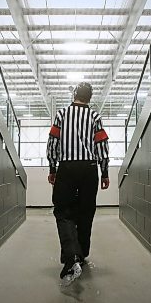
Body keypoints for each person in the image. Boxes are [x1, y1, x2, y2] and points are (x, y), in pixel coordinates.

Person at [46, 82, 110, 285]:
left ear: (74, 94)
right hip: (89, 169)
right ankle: (81, 255)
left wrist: (52, 168)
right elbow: (102, 145)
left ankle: (72, 256)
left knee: (63, 212)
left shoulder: (61, 114)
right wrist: (105, 171)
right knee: (85, 212)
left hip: (67, 167)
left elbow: (52, 143)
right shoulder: (95, 117)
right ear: (90, 98)